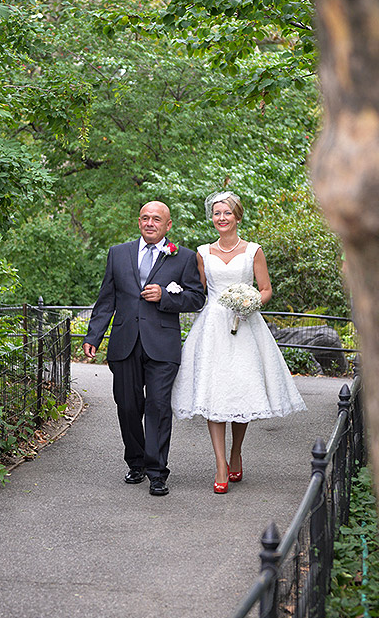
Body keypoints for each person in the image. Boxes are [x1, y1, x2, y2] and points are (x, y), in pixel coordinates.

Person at [171, 191, 307, 493]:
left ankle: (236, 451)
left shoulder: (253, 251)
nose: (221, 218)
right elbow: (200, 290)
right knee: (213, 393)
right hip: (212, 329)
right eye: (217, 213)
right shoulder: (202, 252)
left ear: (237, 216)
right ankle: (220, 463)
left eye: (227, 213)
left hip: (245, 326)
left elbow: (266, 289)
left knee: (241, 391)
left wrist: (250, 302)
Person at [84, 201, 207, 496]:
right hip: (125, 343)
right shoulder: (118, 253)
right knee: (128, 407)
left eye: (156, 219)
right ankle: (135, 462)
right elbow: (106, 300)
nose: (150, 223)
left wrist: (165, 296)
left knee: (158, 407)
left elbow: (196, 298)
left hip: (162, 346)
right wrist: (93, 336)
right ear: (139, 222)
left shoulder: (184, 257)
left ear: (168, 225)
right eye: (145, 218)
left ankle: (157, 472)